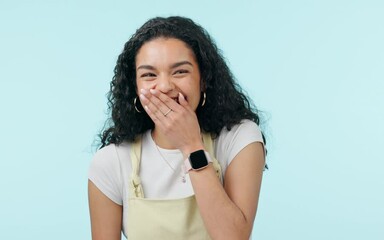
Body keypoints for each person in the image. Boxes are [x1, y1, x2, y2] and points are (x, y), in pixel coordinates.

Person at [88, 16, 266, 240]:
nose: (164, 86)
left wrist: (191, 146)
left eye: (180, 71)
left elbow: (234, 237)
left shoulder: (240, 139)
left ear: (204, 80)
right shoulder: (111, 161)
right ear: (135, 87)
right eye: (149, 75)